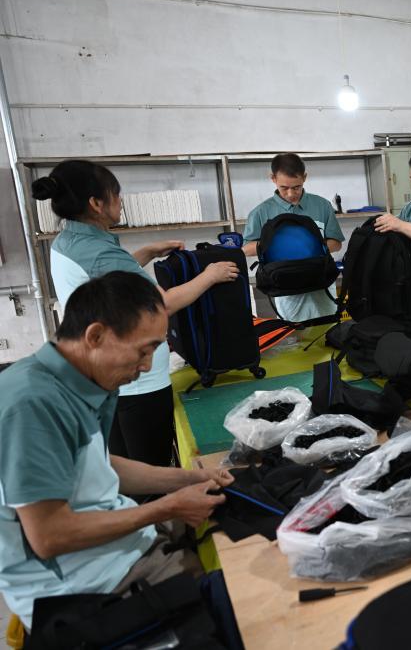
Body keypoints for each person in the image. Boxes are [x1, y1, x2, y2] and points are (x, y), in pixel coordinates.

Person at [0, 272, 233, 631]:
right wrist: (166, 507)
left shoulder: (74, 381)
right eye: (143, 351)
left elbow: (95, 466)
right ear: (95, 336)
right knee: (243, 606)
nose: (146, 366)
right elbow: (49, 536)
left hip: (118, 550)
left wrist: (188, 478)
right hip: (88, 587)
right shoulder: (32, 405)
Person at [33, 160, 239, 468]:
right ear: (96, 203)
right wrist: (210, 276)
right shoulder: (100, 252)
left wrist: (147, 252)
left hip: (99, 374)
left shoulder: (68, 241)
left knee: (123, 465)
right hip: (136, 383)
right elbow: (160, 304)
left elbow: (109, 280)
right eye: (116, 195)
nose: (121, 201)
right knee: (150, 469)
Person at [242, 153, 345, 322]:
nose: (290, 194)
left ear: (305, 177)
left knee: (330, 329)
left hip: (321, 285)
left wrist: (310, 247)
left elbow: (336, 243)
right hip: (286, 289)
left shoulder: (322, 205)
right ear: (273, 179)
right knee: (293, 333)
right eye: (284, 188)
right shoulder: (261, 212)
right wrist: (277, 244)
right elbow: (246, 249)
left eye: (296, 187)